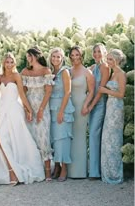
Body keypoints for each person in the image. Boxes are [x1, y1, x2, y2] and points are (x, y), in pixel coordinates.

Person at [0, 53, 45, 186]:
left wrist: (29, 110)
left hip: (14, 110)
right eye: (7, 62)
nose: (9, 64)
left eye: (11, 62)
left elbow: (21, 94)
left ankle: (13, 172)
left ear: (14, 64)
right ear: (3, 63)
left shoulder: (17, 76)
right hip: (2, 109)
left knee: (12, 140)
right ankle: (12, 171)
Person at [21, 46, 53, 181]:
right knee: (31, 139)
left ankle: (47, 171)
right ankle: (34, 170)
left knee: (43, 139)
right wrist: (27, 110)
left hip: (42, 109)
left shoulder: (46, 71)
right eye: (27, 57)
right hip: (29, 110)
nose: (28, 59)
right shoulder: (25, 72)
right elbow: (22, 92)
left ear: (37, 56)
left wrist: (40, 110)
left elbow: (48, 91)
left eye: (30, 56)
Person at [99, 49, 126, 184]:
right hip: (110, 106)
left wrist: (105, 90)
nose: (107, 61)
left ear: (116, 60)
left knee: (114, 141)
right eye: (107, 59)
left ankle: (115, 174)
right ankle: (108, 173)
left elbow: (121, 94)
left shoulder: (121, 74)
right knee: (107, 140)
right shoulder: (112, 73)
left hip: (116, 108)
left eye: (110, 59)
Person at [67, 45, 94, 178]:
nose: (75, 57)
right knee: (71, 135)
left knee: (80, 136)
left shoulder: (87, 72)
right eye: (72, 55)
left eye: (77, 55)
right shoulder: (69, 71)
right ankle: (70, 171)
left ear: (81, 56)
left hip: (81, 105)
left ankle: (81, 171)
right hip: (69, 106)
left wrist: (86, 105)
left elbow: (91, 91)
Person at [49, 48, 75, 182]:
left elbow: (68, 92)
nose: (55, 59)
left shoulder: (65, 71)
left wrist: (61, 111)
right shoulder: (50, 72)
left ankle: (64, 168)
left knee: (63, 139)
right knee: (54, 139)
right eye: (53, 56)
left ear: (62, 58)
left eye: (58, 57)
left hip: (62, 108)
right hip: (51, 108)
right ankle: (57, 166)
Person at [87, 44, 110, 179]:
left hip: (99, 104)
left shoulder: (105, 67)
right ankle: (95, 169)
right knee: (93, 136)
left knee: (94, 136)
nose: (96, 54)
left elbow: (101, 90)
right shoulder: (94, 67)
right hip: (91, 103)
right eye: (94, 51)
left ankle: (95, 172)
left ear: (105, 53)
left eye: (99, 52)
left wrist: (91, 106)